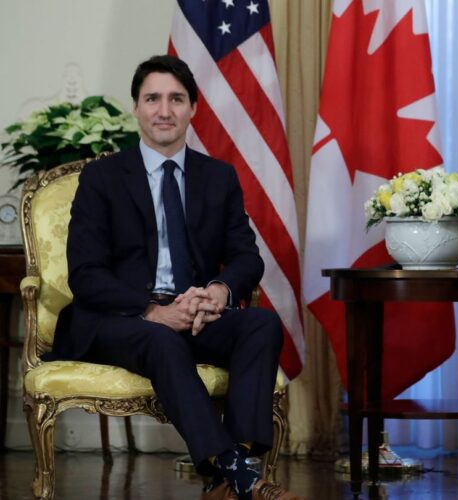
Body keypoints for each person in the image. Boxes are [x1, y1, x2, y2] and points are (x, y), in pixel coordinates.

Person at [46, 55, 298, 500]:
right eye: (153, 98)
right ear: (137, 108)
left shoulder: (218, 177)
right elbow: (85, 275)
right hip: (118, 319)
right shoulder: (102, 178)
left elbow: (245, 256)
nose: (164, 110)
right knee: (160, 337)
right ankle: (239, 475)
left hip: (194, 313)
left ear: (193, 109)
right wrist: (153, 311)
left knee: (260, 323)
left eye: (176, 99)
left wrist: (219, 292)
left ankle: (230, 466)